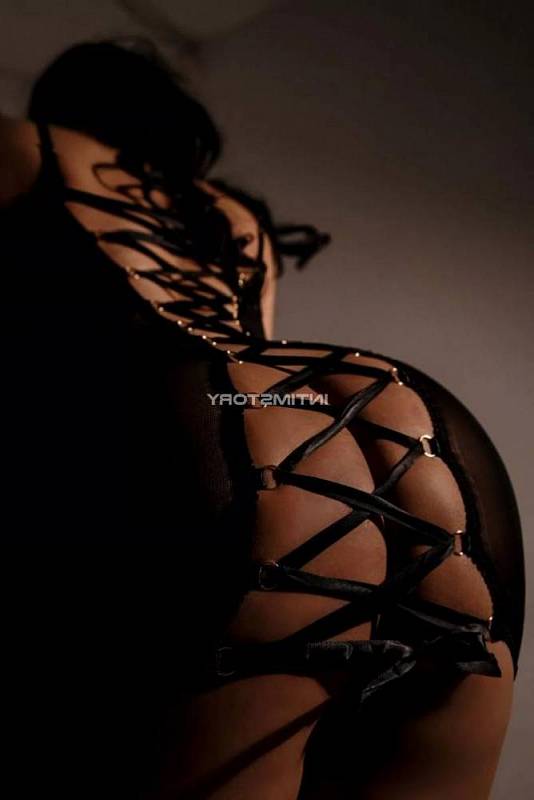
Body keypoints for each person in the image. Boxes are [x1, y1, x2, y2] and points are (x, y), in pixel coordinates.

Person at [0, 40, 524, 800]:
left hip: (214, 444)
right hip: (395, 422)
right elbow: (253, 366)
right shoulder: (231, 213)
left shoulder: (20, 144)